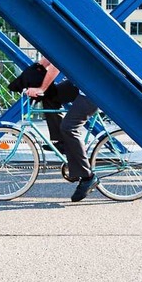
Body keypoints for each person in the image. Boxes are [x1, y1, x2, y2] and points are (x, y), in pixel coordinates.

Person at [25, 57, 100, 202]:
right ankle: (63, 142)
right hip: (81, 84)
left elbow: (55, 64)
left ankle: (87, 177)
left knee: (69, 127)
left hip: (95, 89)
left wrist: (40, 88)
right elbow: (45, 60)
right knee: (49, 96)